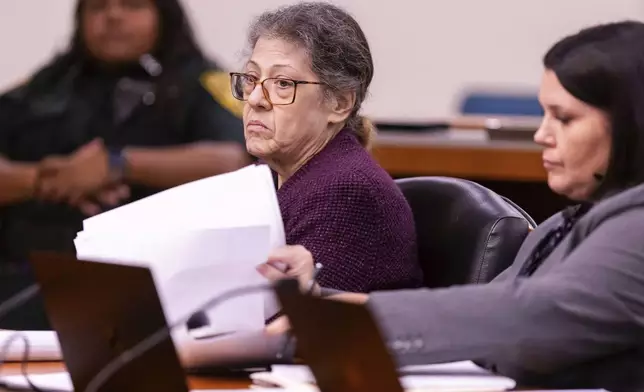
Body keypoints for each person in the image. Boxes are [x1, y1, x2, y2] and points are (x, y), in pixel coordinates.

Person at [260, 21, 644, 391]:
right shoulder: (564, 223)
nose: (542, 134)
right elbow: (488, 310)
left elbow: (528, 316)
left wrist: (347, 320)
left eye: (564, 118)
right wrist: (316, 305)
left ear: (632, 123)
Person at [0, 0, 248, 329]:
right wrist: (50, 179)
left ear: (163, 15)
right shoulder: (42, 89)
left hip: (153, 294)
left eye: (131, 5)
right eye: (98, 7)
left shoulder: (202, 84)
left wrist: (118, 164)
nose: (113, 16)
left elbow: (236, 162)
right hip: (26, 284)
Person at [232, 2, 423, 293]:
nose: (256, 98)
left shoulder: (347, 191)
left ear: (340, 103)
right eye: (251, 79)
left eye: (282, 83)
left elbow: (296, 328)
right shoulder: (263, 176)